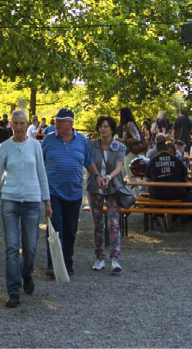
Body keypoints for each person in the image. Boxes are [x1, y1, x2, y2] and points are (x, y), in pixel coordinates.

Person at [0, 108, 51, 308]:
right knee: (12, 247)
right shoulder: (5, 147)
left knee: (30, 247)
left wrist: (47, 201)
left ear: (26, 125)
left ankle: (26, 273)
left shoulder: (35, 146)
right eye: (16, 123)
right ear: (11, 125)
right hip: (10, 200)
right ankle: (13, 291)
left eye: (23, 123)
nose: (20, 127)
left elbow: (42, 174)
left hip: (32, 201)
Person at [40, 108, 99, 279]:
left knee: (70, 230)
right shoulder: (48, 140)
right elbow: (40, 163)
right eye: (56, 121)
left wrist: (97, 176)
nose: (56, 123)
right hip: (53, 192)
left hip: (74, 193)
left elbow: (88, 161)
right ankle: (53, 265)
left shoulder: (81, 141)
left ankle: (67, 262)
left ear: (70, 123)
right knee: (55, 228)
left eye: (60, 121)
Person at [87, 116, 127, 273]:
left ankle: (115, 258)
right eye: (100, 126)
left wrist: (108, 177)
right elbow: (88, 163)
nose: (102, 129)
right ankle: (99, 257)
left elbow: (119, 167)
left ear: (112, 129)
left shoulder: (119, 147)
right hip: (94, 186)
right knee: (97, 223)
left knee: (113, 223)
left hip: (112, 187)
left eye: (105, 126)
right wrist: (98, 176)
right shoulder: (91, 145)